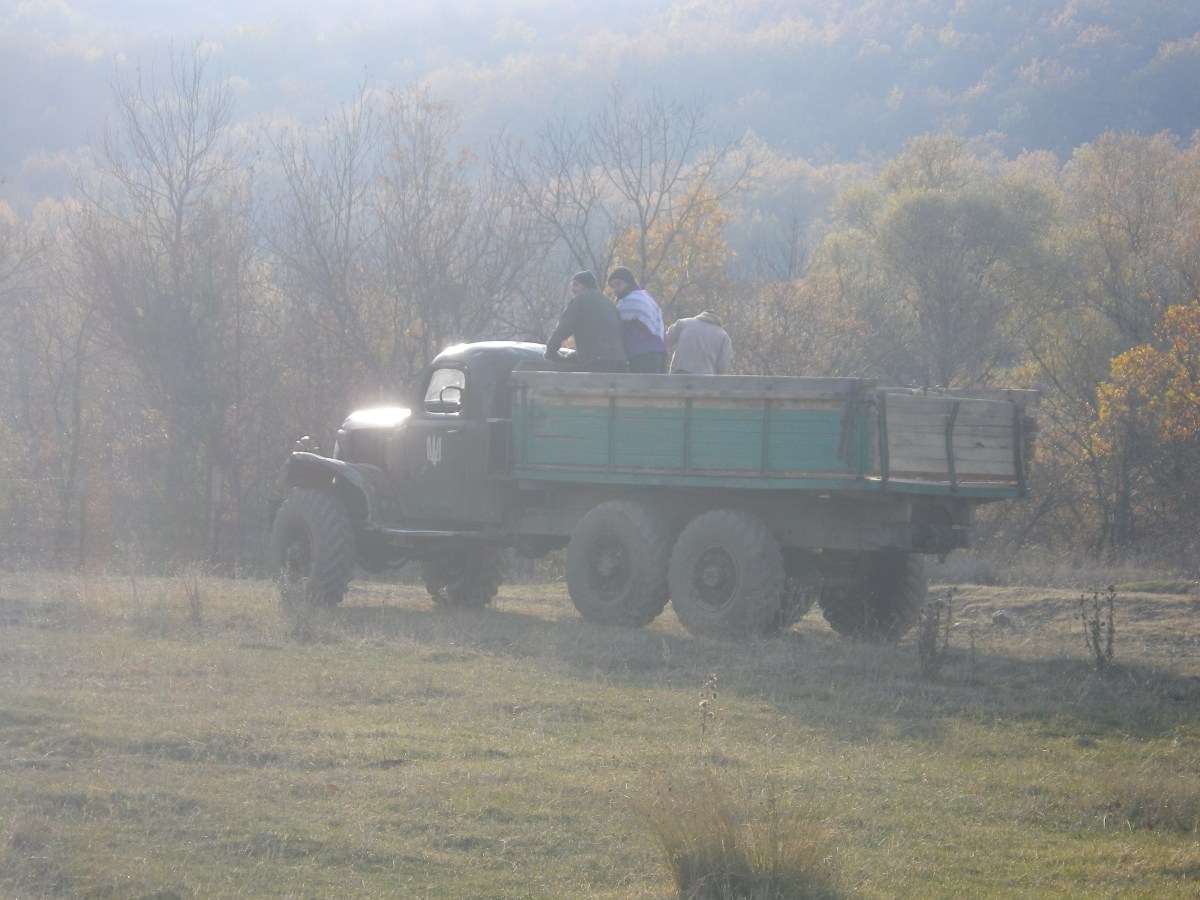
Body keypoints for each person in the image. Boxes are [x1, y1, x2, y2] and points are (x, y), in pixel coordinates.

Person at [543, 271, 628, 372]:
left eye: (575, 284)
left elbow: (564, 327)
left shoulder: (579, 300)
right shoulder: (610, 304)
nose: (572, 289)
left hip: (597, 361)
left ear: (586, 285)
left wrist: (550, 351)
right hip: (620, 362)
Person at [606, 266, 667, 374]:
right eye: (613, 286)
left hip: (642, 354)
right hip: (660, 352)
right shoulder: (648, 297)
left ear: (629, 282)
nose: (615, 289)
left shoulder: (629, 300)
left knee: (639, 385)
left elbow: (616, 330)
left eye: (618, 284)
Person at [666, 310, 732, 374]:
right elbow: (723, 363)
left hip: (680, 372)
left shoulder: (683, 323)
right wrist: (717, 377)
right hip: (706, 377)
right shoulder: (723, 335)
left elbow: (665, 342)